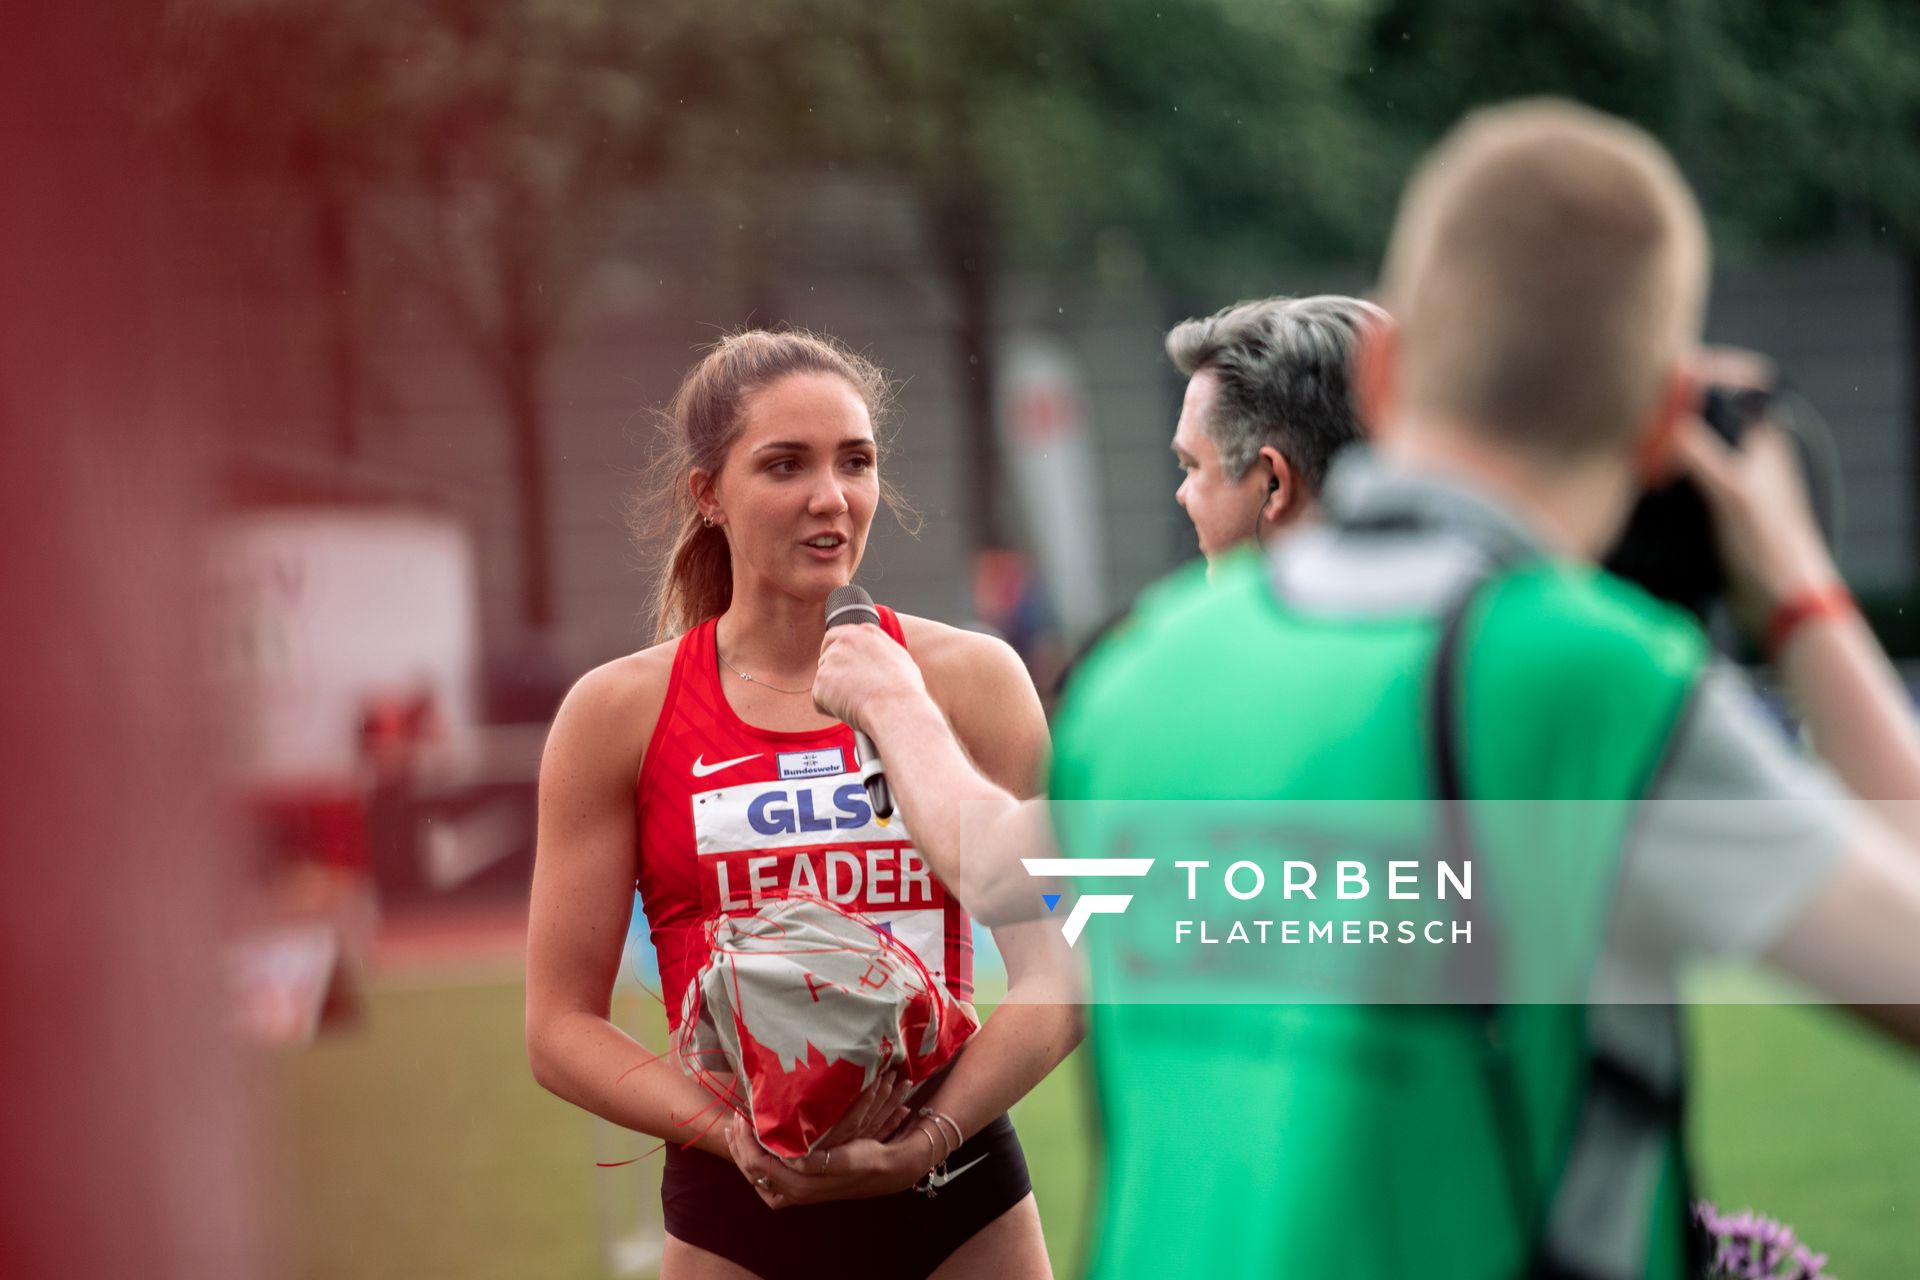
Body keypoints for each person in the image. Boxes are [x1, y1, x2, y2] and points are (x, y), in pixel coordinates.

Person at [812, 99, 1920, 1278]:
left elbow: (992, 859)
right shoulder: (1585, 675)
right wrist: (1799, 592)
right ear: (1656, 426)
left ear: (1392, 372)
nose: (1186, 494)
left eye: (1191, 468)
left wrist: (891, 699)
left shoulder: (1147, 671)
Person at [525, 329, 1076, 1280]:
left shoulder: (974, 680)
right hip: (736, 1203)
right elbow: (557, 1026)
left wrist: (927, 1140)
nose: (832, 497)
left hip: (957, 1194)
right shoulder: (617, 714)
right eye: (786, 465)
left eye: (855, 461)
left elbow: (1062, 974)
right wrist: (733, 1135)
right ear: (708, 494)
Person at [1166, 294, 1385, 563]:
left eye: (1192, 465)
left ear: (1275, 483)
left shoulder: (1184, 605)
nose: (1182, 495)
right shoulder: (1441, 595)